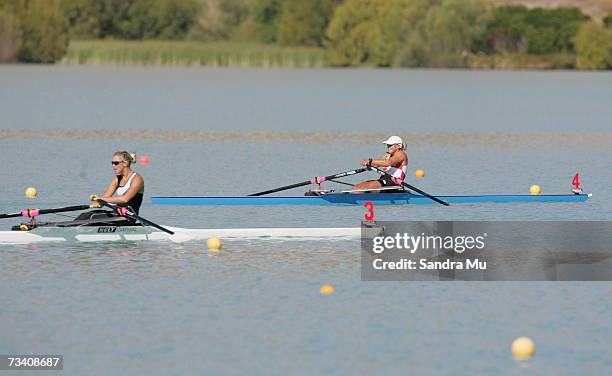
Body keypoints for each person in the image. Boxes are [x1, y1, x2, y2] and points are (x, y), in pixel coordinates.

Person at [80, 151, 144, 222]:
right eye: (112, 163)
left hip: (129, 216)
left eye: (116, 163)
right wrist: (98, 202)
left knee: (92, 217)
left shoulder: (137, 179)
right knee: (85, 215)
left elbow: (125, 199)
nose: (113, 165)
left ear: (125, 163)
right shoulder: (116, 179)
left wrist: (101, 199)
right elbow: (105, 198)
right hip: (117, 213)